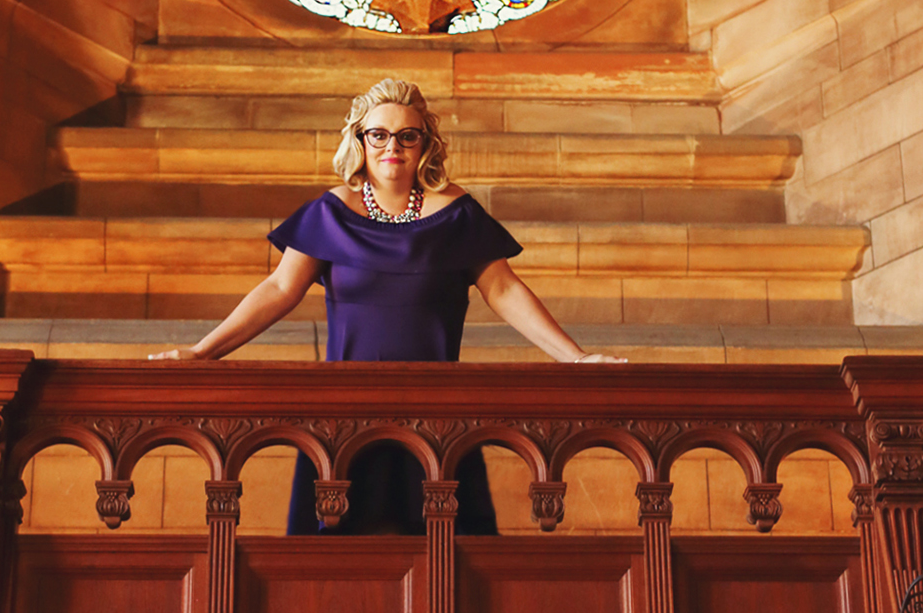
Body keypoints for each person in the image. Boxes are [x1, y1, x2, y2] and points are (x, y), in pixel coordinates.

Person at [151, 78, 624, 533]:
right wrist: (201, 353)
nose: (391, 146)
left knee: (448, 560)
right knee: (334, 567)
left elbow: (504, 290)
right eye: (378, 134)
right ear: (359, 140)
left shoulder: (456, 214)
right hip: (344, 418)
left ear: (425, 144)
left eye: (406, 135)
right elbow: (278, 290)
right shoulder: (331, 213)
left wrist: (578, 359)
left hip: (438, 417)